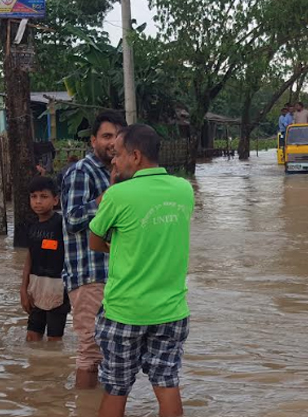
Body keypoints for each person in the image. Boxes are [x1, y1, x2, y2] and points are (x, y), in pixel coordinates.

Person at [89, 124, 195, 417]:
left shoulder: (118, 195)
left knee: (116, 387)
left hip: (125, 310)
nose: (114, 161)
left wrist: (119, 246)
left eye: (118, 154)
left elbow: (95, 241)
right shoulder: (184, 189)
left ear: (135, 156)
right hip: (171, 310)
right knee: (167, 384)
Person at [62, 110, 126, 389]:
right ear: (93, 141)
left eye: (117, 136)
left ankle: (96, 404)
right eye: (106, 136)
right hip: (88, 273)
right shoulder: (81, 171)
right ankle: (84, 406)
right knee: (89, 350)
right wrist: (107, 196)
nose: (112, 142)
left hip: (115, 273)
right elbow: (73, 219)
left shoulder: (121, 173)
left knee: (109, 349)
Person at [21, 176, 71, 342]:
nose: (38, 202)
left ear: (55, 200)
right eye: (33, 197)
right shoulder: (30, 224)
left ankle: (53, 368)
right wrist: (23, 289)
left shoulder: (62, 224)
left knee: (54, 341)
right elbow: (29, 256)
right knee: (32, 338)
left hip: (58, 287)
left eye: (44, 197)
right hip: (36, 287)